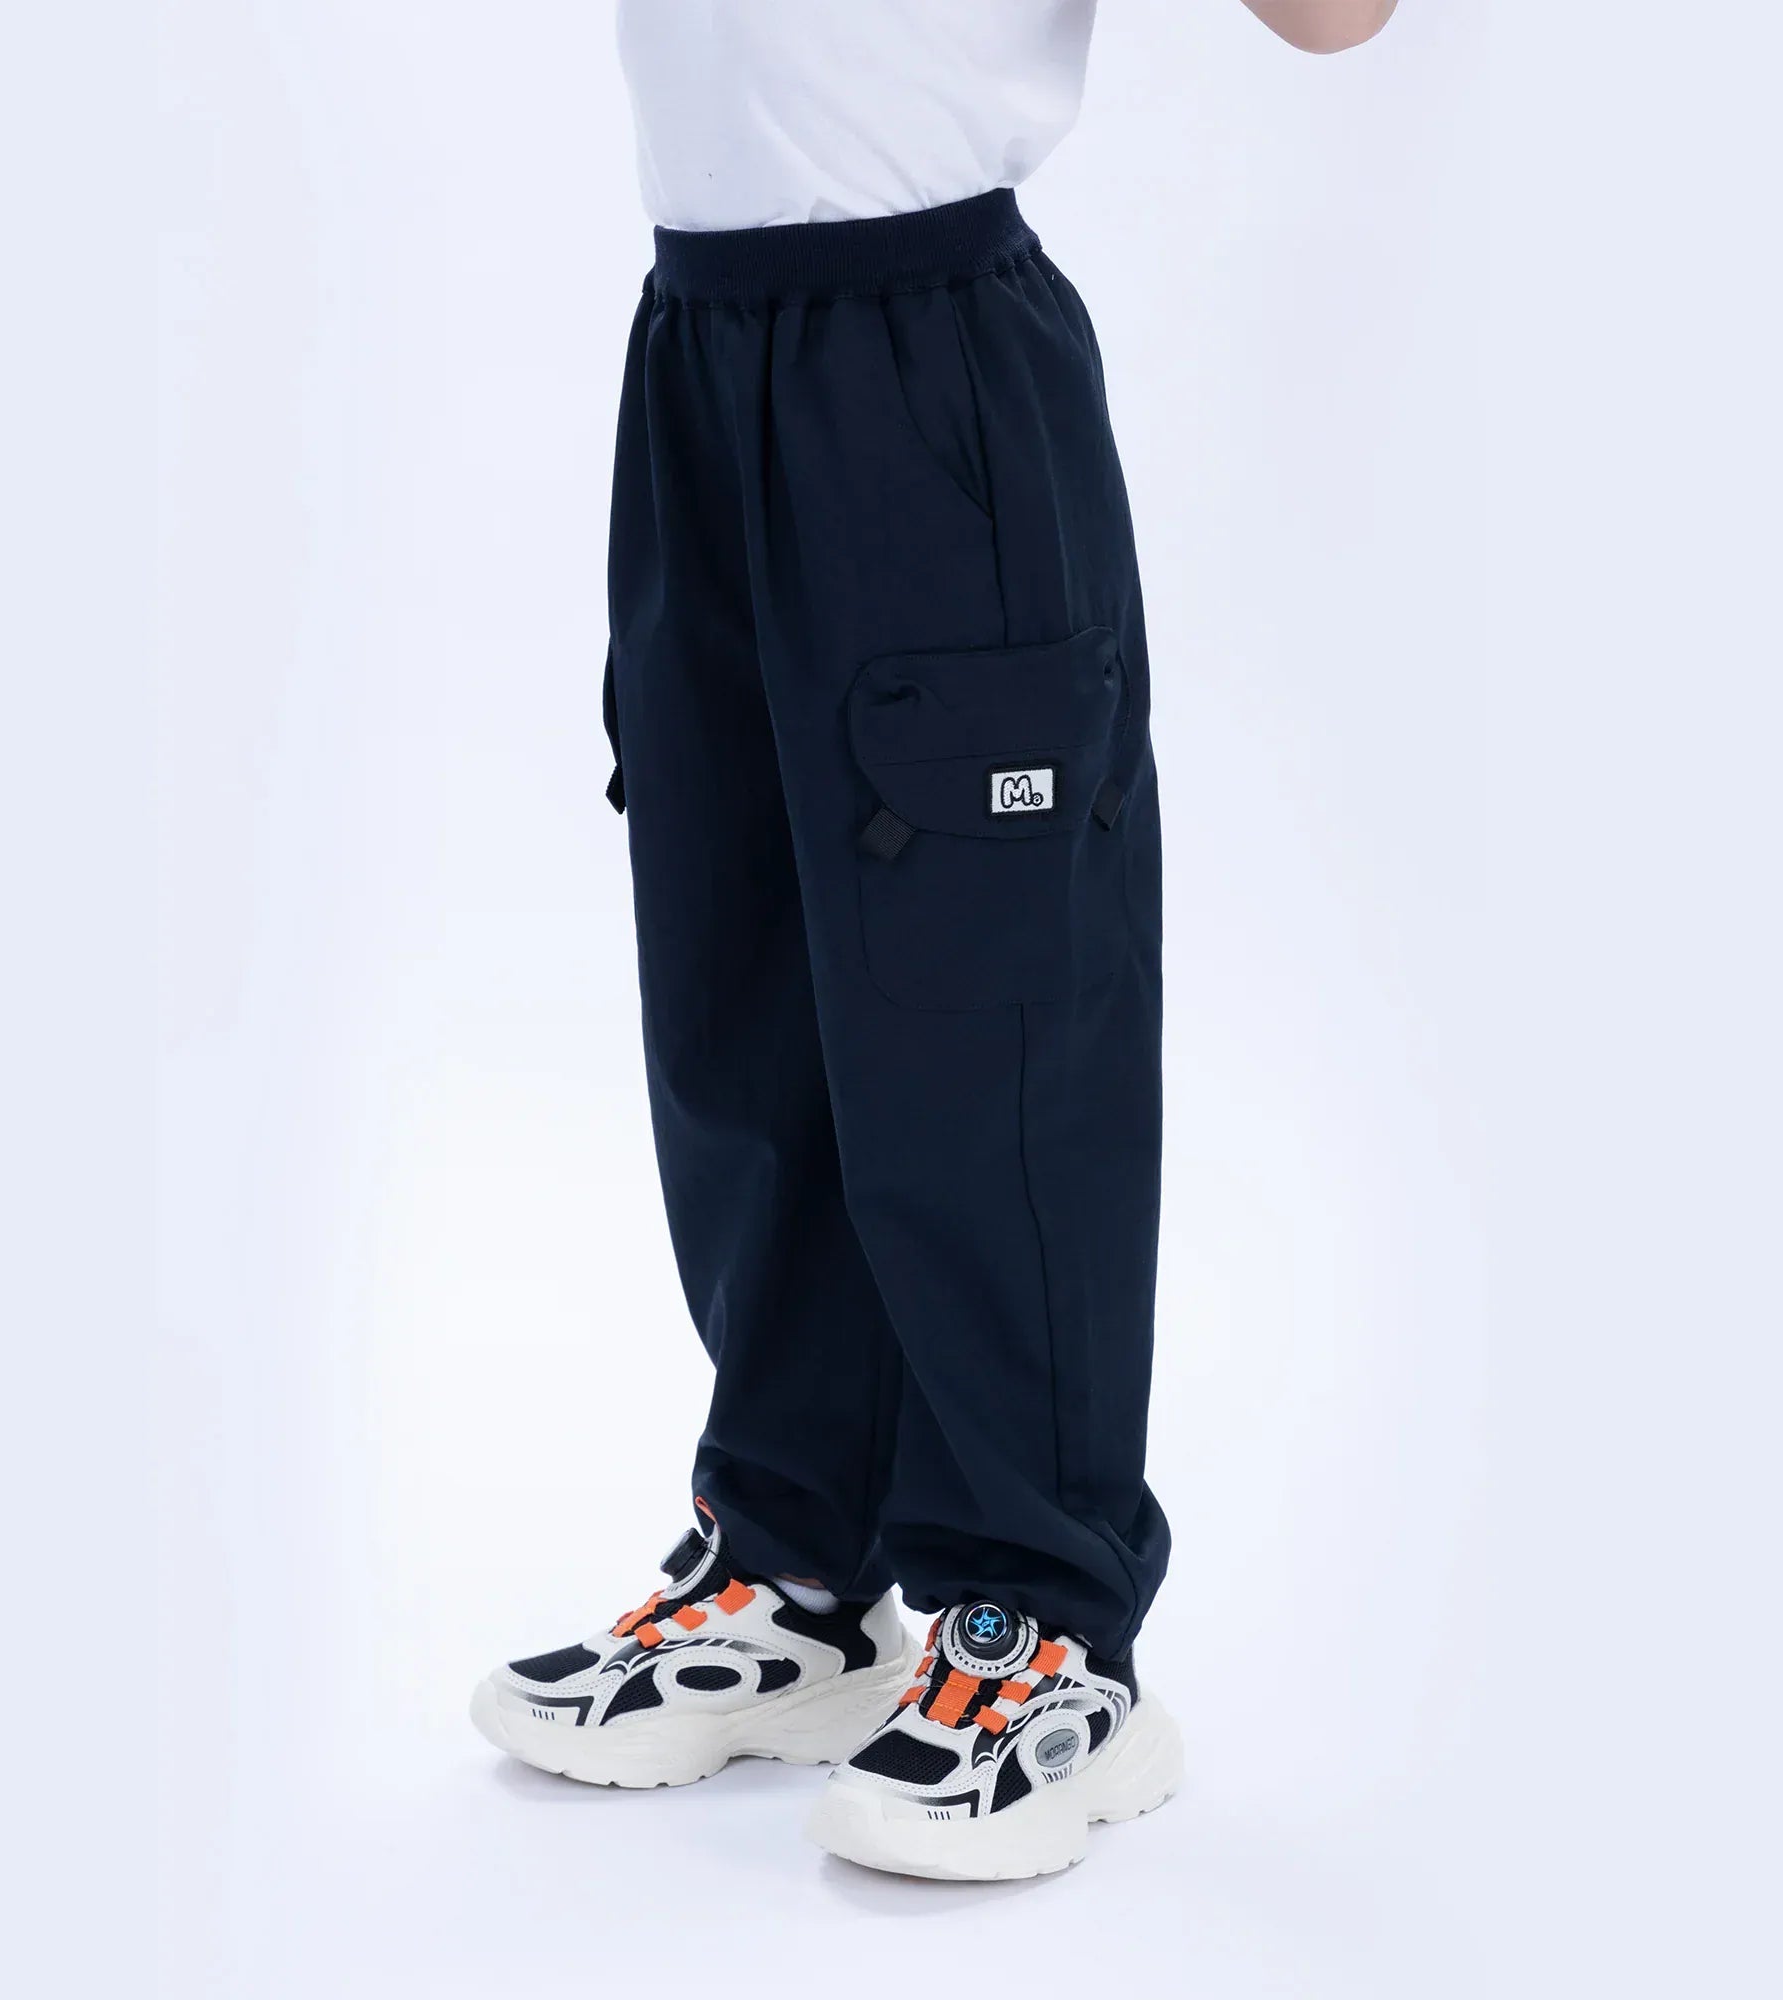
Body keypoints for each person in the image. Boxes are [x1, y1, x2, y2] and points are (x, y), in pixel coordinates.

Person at [472, 0, 1399, 1882]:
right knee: (744, 1002)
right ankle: (797, 1565)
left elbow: (1338, 19)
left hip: (932, 366)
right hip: (700, 348)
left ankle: (1046, 1625)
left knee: (988, 1026)